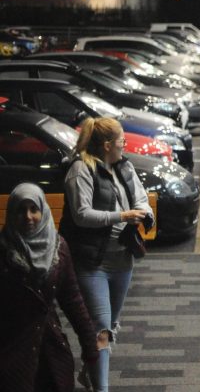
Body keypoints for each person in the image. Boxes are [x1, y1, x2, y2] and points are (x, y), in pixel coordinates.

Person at [60, 117, 155, 392]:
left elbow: (140, 198)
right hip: (92, 263)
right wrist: (122, 215)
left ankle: (92, 369)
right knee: (101, 327)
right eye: (122, 141)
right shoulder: (81, 170)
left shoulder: (123, 167)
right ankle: (101, 388)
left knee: (109, 325)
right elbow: (81, 215)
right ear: (107, 145)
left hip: (122, 260)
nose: (124, 145)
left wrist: (142, 212)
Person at [0, 183, 101, 392]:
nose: (28, 216)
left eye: (33, 209)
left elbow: (72, 299)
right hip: (12, 349)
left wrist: (90, 346)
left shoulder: (58, 247)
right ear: (11, 214)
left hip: (51, 348)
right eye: (20, 210)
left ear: (42, 211)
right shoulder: (3, 249)